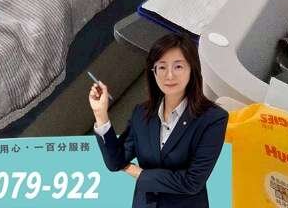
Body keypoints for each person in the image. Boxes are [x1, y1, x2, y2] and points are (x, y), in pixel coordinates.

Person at [88, 33, 228, 208]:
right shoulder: (141, 114)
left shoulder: (213, 119)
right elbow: (115, 161)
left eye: (178, 66)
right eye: (162, 67)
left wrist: (137, 172)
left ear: (192, 69)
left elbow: (192, 182)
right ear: (153, 72)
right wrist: (100, 114)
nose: (169, 75)